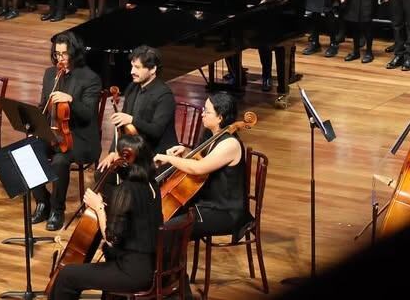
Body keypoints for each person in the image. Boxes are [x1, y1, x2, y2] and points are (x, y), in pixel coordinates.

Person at [155, 92, 249, 300]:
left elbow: (199, 168)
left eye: (207, 111)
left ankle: (179, 293)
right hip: (206, 204)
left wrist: (169, 160)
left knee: (171, 232)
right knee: (164, 225)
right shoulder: (211, 136)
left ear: (220, 117)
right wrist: (186, 151)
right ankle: (167, 285)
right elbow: (202, 158)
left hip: (225, 211)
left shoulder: (230, 144)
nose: (202, 115)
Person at [49, 134, 162, 300]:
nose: (113, 157)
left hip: (131, 272)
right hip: (153, 266)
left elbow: (112, 239)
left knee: (67, 276)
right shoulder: (152, 184)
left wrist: (99, 207)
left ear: (126, 159)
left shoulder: (125, 190)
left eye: (116, 153)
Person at [31, 33, 102, 231]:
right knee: (27, 151)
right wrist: (34, 126)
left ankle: (57, 210)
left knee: (60, 160)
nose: (60, 58)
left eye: (64, 54)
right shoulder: (49, 74)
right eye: (57, 54)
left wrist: (71, 99)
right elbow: (42, 105)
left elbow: (88, 115)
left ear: (74, 53)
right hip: (54, 132)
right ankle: (43, 201)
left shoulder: (90, 78)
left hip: (81, 137)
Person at [98, 45, 178, 163]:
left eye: (137, 67)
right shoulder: (132, 87)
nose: (132, 71)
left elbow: (156, 130)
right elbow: (121, 126)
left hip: (156, 156)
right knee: (100, 174)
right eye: (132, 66)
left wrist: (131, 119)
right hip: (135, 151)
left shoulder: (164, 95)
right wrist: (113, 152)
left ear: (152, 69)